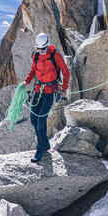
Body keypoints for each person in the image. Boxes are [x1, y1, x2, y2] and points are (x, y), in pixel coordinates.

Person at [24, 32, 70, 162]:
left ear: (47, 45)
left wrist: (64, 88)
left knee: (41, 121)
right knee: (33, 119)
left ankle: (41, 148)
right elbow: (33, 71)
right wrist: (26, 82)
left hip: (51, 91)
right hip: (39, 90)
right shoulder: (36, 56)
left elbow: (65, 71)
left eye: (43, 48)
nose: (41, 51)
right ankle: (44, 144)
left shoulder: (55, 55)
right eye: (38, 48)